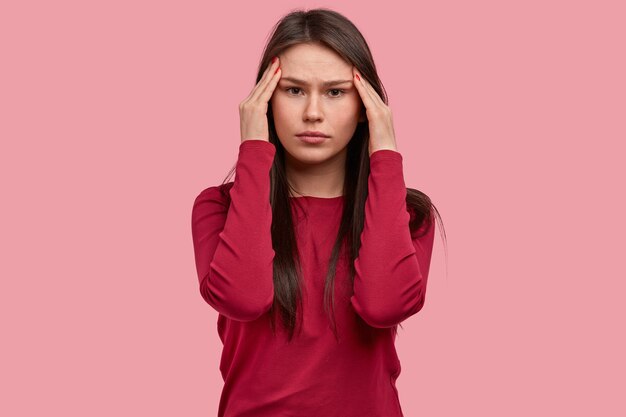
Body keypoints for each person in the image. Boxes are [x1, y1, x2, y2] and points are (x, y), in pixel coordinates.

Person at [191, 7, 446, 417]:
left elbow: (384, 305)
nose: (313, 113)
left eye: (335, 92)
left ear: (366, 105)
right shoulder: (217, 208)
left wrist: (386, 153)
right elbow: (243, 298)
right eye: (293, 90)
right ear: (264, 101)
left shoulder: (408, 214)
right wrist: (253, 151)